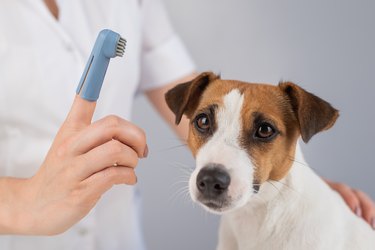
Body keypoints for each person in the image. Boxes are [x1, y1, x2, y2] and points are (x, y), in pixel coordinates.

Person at [0, 0, 373, 249]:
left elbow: (216, 101)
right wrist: (25, 202)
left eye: (263, 133)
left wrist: (299, 178)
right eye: (203, 124)